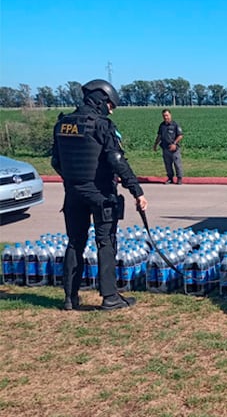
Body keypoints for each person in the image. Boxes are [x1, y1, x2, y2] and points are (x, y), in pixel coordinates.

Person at [51, 79, 148, 311]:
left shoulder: (62, 124)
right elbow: (116, 161)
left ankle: (70, 298)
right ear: (101, 101)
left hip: (73, 193)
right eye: (111, 105)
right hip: (100, 194)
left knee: (75, 242)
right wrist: (137, 190)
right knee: (106, 242)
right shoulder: (101, 125)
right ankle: (110, 296)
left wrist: (75, 181)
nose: (111, 110)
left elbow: (56, 161)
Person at [153, 109, 184, 184]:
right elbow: (159, 136)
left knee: (177, 164)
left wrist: (174, 143)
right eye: (164, 116)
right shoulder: (162, 125)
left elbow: (180, 135)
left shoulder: (175, 124)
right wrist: (155, 144)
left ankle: (179, 178)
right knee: (167, 164)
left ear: (170, 115)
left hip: (174, 148)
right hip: (165, 148)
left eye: (167, 115)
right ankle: (170, 178)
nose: (165, 117)